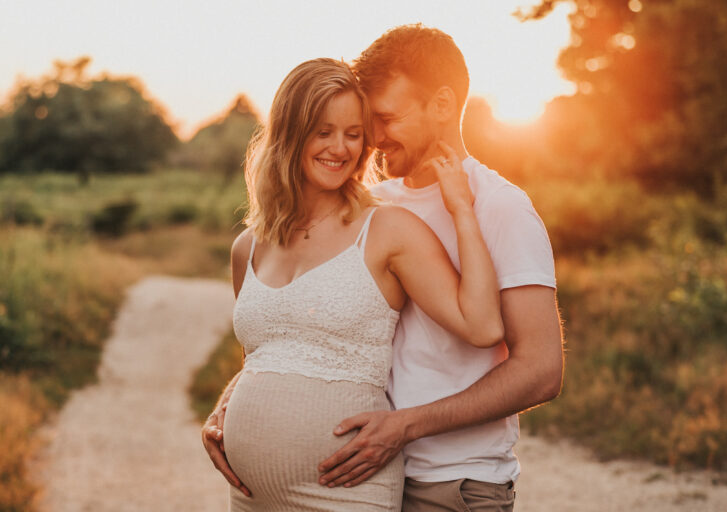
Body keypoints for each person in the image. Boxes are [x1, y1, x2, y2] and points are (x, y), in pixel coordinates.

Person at [204, 57, 505, 511]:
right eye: (322, 131)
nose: (339, 148)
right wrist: (225, 408)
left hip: (347, 493)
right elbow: (264, 358)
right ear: (290, 132)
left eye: (353, 133)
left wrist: (462, 209)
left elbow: (482, 325)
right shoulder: (248, 247)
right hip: (250, 497)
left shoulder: (387, 230)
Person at [309, 25, 564, 511]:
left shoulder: (501, 208)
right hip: (365, 481)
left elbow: (541, 371)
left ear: (442, 105)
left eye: (387, 117)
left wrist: (405, 425)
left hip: (455, 486)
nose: (375, 138)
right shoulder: (371, 205)